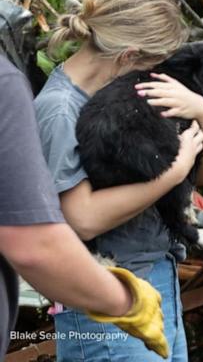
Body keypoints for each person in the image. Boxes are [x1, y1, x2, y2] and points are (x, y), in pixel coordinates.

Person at [34, 0, 203, 361]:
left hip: (156, 276)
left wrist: (201, 110)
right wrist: (174, 170)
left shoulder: (137, 92)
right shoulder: (59, 110)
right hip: (106, 302)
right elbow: (82, 218)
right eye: (154, 63)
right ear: (129, 55)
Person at [0, 55, 168, 361]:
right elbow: (39, 242)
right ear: (131, 55)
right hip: (95, 287)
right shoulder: (45, 103)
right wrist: (128, 303)